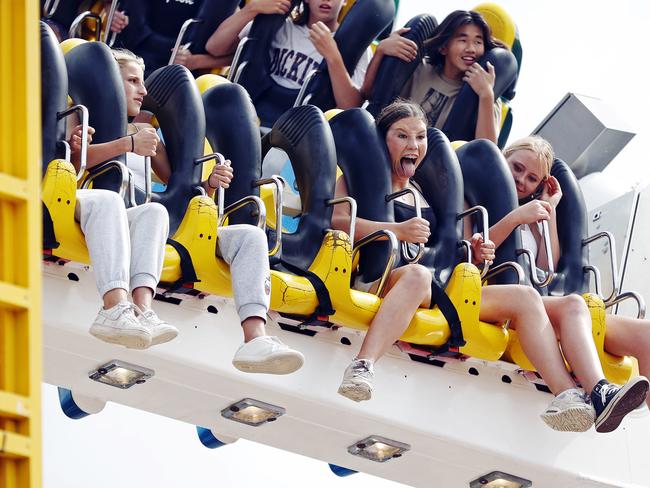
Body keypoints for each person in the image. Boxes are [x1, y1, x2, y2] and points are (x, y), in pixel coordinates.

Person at [331, 100, 647, 434]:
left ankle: (576, 394)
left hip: (448, 285)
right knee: (419, 275)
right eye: (402, 136)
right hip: (396, 276)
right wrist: (397, 230)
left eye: (421, 137)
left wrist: (480, 248)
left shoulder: (426, 192)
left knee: (543, 300)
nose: (413, 145)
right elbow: (337, 217)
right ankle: (362, 365)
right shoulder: (364, 180)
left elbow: (468, 250)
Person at [69, 49, 304, 374]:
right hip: (88, 204)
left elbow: (178, 192)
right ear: (110, 82)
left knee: (162, 214)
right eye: (132, 81)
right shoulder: (80, 117)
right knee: (112, 203)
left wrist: (209, 184)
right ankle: (113, 307)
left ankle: (249, 337)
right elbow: (65, 165)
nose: (142, 91)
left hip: (132, 218)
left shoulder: (144, 134)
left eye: (143, 82)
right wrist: (120, 146)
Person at [491, 135, 650, 418]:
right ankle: (598, 392)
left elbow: (546, 269)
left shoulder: (533, 219)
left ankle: (608, 400)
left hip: (536, 303)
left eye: (531, 178)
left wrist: (548, 210)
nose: (521, 180)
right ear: (501, 159)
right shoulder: (478, 198)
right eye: (516, 168)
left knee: (647, 334)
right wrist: (514, 218)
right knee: (572, 304)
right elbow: (468, 249)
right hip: (497, 298)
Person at [362, 10, 504, 143]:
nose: (471, 49)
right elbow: (368, 93)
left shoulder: (487, 93)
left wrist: (486, 96)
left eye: (478, 42)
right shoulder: (417, 68)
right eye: (462, 40)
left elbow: (486, 152)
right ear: (443, 47)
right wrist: (381, 51)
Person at [205, 0, 371, 110]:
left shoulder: (355, 48)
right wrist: (252, 8)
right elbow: (215, 47)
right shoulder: (281, 26)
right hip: (252, 111)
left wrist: (333, 56)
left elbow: (351, 107)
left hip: (299, 133)